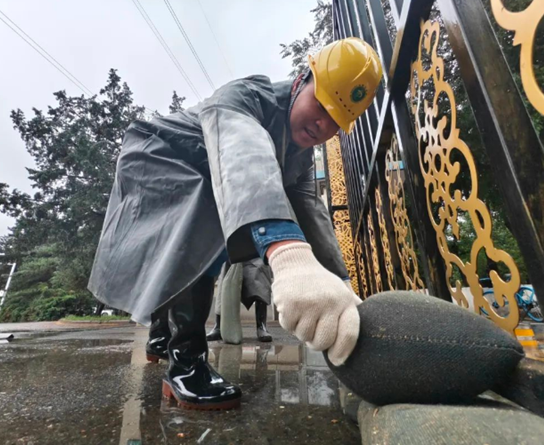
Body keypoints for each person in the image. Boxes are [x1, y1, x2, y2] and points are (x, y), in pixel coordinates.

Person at [88, 37, 382, 410]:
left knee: (203, 241)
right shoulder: (247, 97)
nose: (323, 123)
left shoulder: (301, 156)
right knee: (198, 223)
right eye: (321, 104)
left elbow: (312, 211)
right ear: (300, 81)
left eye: (337, 121)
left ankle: (161, 335)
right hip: (157, 154)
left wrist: (340, 285)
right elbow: (245, 154)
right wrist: (288, 252)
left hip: (209, 180)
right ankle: (187, 364)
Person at [206, 258, 274, 343]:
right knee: (225, 272)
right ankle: (218, 326)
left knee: (261, 272)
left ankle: (261, 326)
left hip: (254, 252)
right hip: (231, 252)